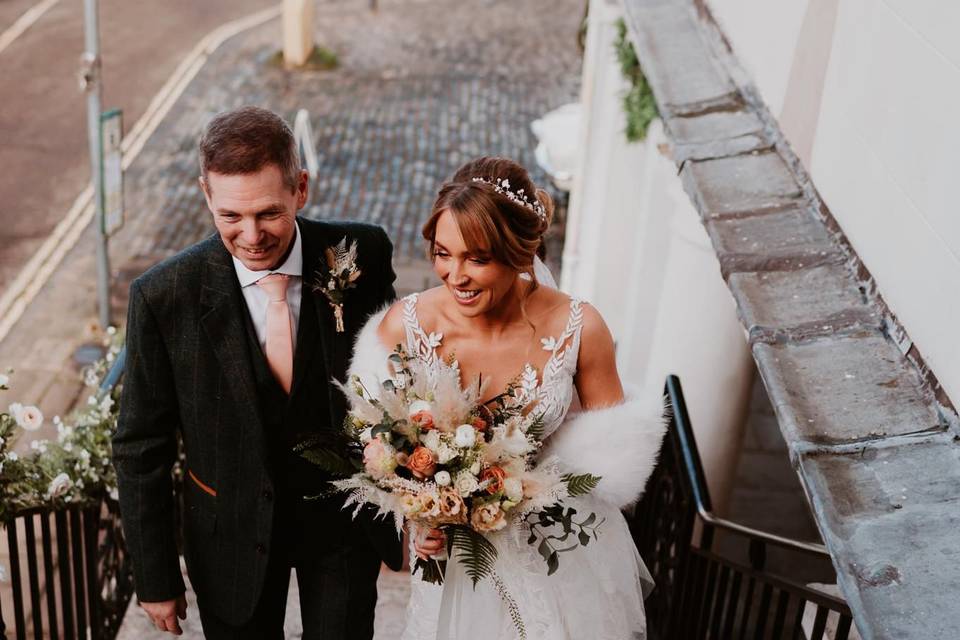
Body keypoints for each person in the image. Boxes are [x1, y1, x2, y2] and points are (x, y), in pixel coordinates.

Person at [112, 106, 402, 639]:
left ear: (301, 189)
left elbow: (397, 385)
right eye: (230, 217)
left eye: (268, 213)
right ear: (207, 196)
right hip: (229, 534)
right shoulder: (162, 297)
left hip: (340, 522)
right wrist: (154, 578)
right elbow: (140, 445)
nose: (251, 235)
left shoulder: (362, 255)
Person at [347, 157, 664, 639]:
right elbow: (380, 440)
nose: (456, 275)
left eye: (478, 258)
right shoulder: (405, 328)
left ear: (520, 251)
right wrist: (419, 512)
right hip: (454, 561)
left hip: (558, 552)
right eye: (442, 253)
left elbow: (614, 461)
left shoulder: (581, 329)